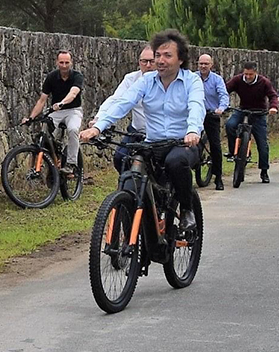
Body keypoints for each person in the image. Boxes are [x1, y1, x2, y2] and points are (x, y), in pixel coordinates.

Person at [79, 29, 204, 230]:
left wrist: (192, 131)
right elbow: (123, 102)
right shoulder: (146, 81)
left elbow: (196, 106)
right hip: (152, 143)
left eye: (167, 55)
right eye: (158, 55)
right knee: (129, 167)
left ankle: (187, 210)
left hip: (182, 143)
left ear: (180, 59)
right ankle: (133, 220)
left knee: (175, 162)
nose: (160, 60)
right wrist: (98, 127)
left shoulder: (192, 80)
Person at [25, 51, 84, 174]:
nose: (64, 65)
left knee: (73, 130)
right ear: (57, 62)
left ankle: (71, 164)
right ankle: (51, 160)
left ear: (71, 63)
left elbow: (73, 93)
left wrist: (62, 103)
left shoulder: (77, 76)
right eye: (61, 62)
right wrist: (31, 118)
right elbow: (42, 100)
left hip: (73, 110)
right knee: (44, 131)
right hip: (56, 111)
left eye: (67, 62)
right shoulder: (51, 77)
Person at [98, 46, 156, 172]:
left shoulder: (164, 80)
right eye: (144, 61)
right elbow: (116, 99)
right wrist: (98, 120)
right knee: (120, 158)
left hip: (159, 135)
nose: (148, 65)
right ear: (139, 62)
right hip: (137, 131)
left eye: (152, 61)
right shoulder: (131, 79)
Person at [225, 62, 279, 183]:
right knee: (230, 125)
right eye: (246, 74)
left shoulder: (264, 82)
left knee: (262, 143)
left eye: (251, 74)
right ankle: (233, 151)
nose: (248, 77)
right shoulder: (237, 80)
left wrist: (273, 107)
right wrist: (222, 104)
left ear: (256, 72)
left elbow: (273, 96)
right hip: (242, 110)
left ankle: (264, 171)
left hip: (258, 113)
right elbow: (225, 90)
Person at [197, 54, 229, 190]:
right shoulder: (192, 78)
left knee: (215, 145)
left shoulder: (217, 79)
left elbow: (223, 95)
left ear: (211, 65)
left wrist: (221, 108)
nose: (203, 66)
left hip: (211, 114)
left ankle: (218, 177)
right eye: (201, 63)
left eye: (206, 63)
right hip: (195, 115)